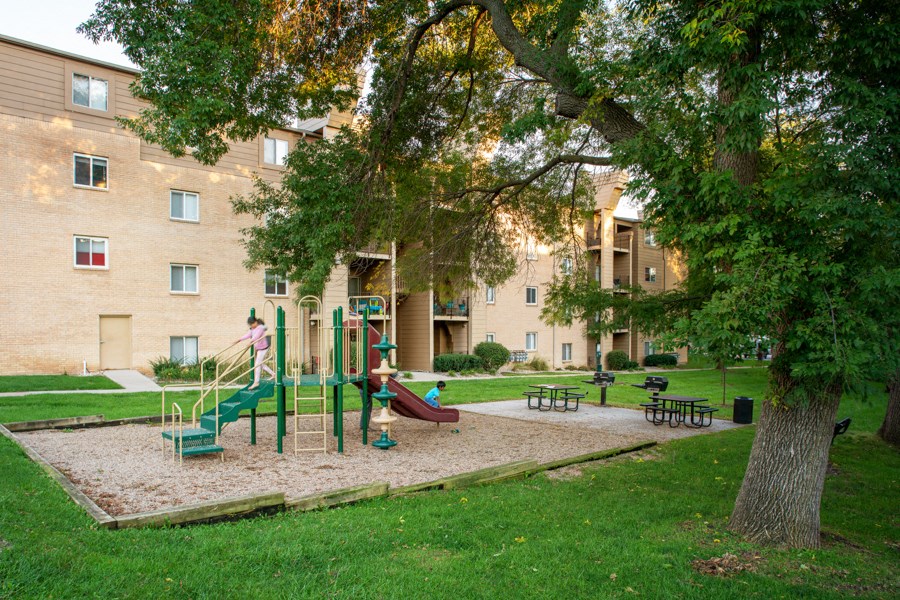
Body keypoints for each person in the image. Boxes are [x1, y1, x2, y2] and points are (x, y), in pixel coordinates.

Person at [237, 317, 275, 389]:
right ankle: (273, 374)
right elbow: (248, 335)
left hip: (263, 348)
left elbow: (256, 336)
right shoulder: (252, 329)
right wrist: (239, 340)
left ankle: (256, 382)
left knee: (257, 364)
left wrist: (250, 342)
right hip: (259, 348)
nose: (251, 326)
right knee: (260, 364)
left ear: (255, 322)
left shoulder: (260, 328)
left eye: (251, 324)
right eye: (250, 325)